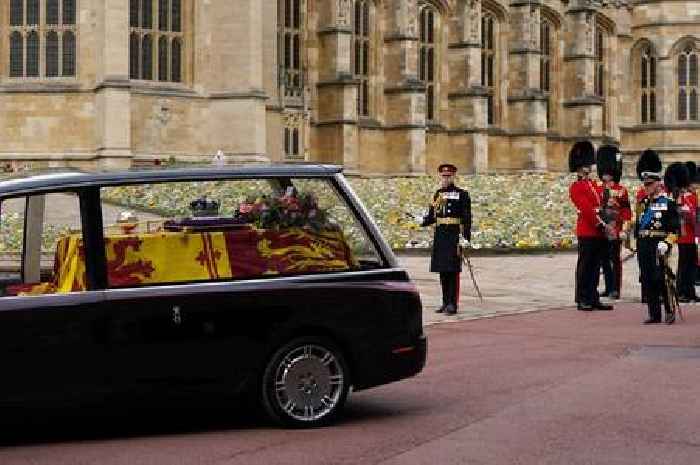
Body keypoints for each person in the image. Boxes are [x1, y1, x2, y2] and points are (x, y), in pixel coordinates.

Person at [419, 164, 472, 315]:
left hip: (454, 235)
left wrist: (465, 237)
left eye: (448, 176)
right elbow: (432, 216)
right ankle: (444, 302)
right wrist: (421, 221)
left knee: (453, 271)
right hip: (441, 235)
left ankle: (452, 304)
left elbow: (467, 218)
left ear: (454, 176)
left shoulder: (462, 194)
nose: (446, 178)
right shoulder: (438, 194)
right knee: (442, 270)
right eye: (443, 176)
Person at [569, 141, 614, 311]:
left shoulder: (594, 185)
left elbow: (601, 205)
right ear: (579, 168)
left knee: (596, 266)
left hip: (598, 231)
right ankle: (582, 298)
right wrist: (601, 224)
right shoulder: (577, 187)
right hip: (588, 230)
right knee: (585, 265)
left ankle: (593, 296)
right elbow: (587, 210)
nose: (588, 168)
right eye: (585, 166)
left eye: (588, 165)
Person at [637, 164, 680, 324]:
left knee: (661, 278)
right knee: (647, 278)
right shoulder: (642, 203)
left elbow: (675, 229)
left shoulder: (667, 203)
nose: (646, 187)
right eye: (645, 184)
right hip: (644, 244)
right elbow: (638, 226)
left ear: (657, 183)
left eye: (649, 184)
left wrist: (667, 243)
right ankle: (654, 314)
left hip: (659, 244)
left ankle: (669, 310)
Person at [596, 145, 632, 300]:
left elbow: (626, 211)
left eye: (608, 173)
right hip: (601, 227)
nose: (606, 175)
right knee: (604, 260)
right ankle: (608, 286)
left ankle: (615, 288)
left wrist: (624, 228)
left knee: (614, 260)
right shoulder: (597, 188)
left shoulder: (621, 190)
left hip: (615, 228)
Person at [665, 163, 698, 302]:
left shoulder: (691, 197)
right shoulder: (678, 197)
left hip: (692, 236)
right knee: (683, 265)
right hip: (682, 237)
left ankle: (689, 291)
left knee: (691, 265)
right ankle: (680, 291)